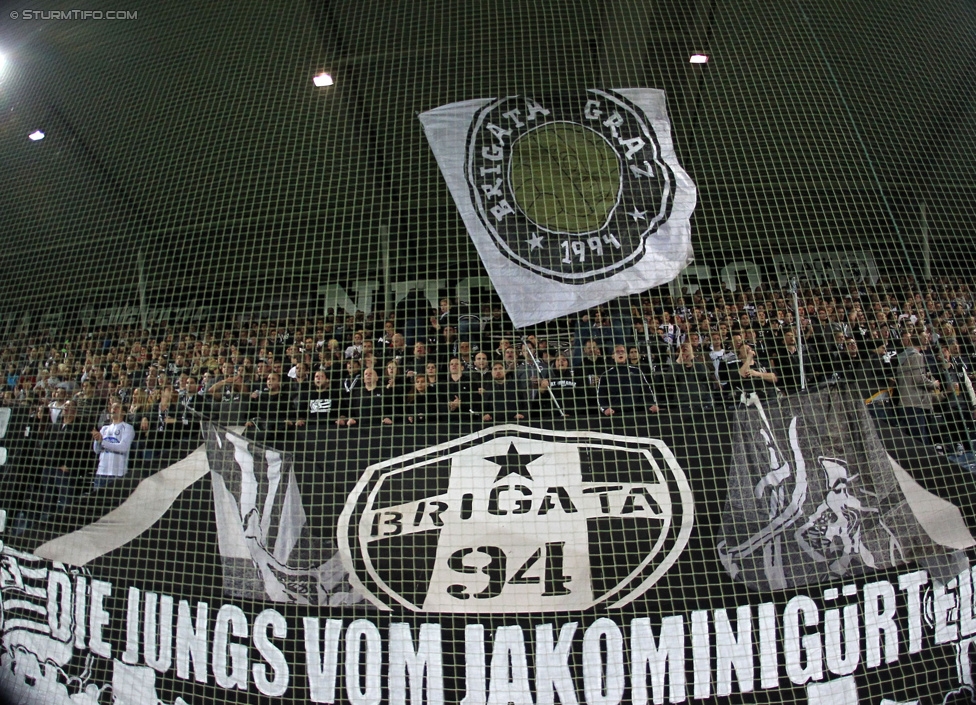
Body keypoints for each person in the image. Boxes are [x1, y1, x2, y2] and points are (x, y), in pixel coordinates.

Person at [896, 334, 940, 445]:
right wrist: (933, 384)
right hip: (915, 402)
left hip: (905, 402)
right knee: (920, 438)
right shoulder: (916, 356)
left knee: (911, 438)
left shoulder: (903, 356)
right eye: (924, 338)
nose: (927, 340)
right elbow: (919, 379)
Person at [597, 345, 660, 417]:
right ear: (613, 356)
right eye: (617, 352)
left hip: (638, 413)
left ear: (626, 355)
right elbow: (601, 395)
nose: (620, 353)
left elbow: (647, 390)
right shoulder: (606, 375)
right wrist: (605, 409)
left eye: (622, 351)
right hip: (616, 414)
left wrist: (652, 404)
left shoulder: (637, 371)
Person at [91, 401, 135, 491]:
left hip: (117, 474)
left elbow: (123, 448)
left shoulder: (128, 428)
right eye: (112, 407)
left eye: (117, 407)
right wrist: (97, 440)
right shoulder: (104, 428)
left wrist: (102, 441)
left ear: (123, 412)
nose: (113, 409)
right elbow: (97, 450)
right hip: (101, 473)